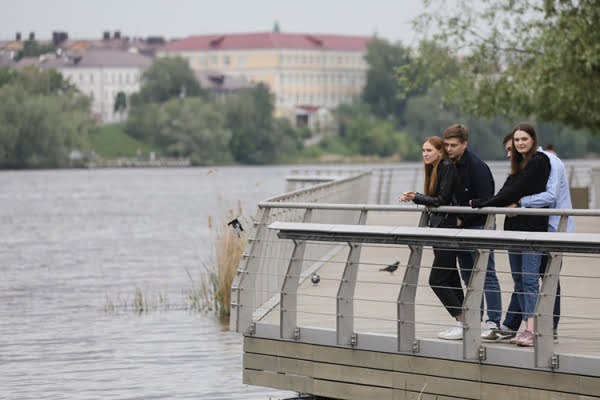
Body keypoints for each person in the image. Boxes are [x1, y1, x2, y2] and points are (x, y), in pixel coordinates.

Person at [483, 133, 574, 342]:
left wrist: (521, 203)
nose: (509, 154)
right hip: (535, 228)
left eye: (510, 149)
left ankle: (549, 328)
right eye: (509, 149)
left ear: (532, 141)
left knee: (546, 279)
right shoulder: (526, 166)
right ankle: (512, 326)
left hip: (552, 228)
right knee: (525, 279)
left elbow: (550, 196)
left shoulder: (549, 161)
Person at [471, 122, 551, 347]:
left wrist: (482, 204)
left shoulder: (538, 162)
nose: (519, 143)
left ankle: (532, 330)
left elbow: (514, 192)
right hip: (514, 231)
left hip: (533, 231)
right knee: (519, 280)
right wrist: (488, 202)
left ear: (533, 140)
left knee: (529, 280)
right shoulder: (518, 165)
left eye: (523, 139)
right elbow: (506, 191)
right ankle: (523, 328)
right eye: (516, 140)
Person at [399, 137, 464, 339]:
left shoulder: (446, 167)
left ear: (440, 152)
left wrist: (415, 197)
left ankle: (463, 322)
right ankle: (464, 323)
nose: (425, 154)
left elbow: (441, 200)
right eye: (423, 150)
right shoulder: (435, 169)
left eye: (428, 150)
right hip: (440, 229)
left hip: (448, 229)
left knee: (437, 279)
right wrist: (414, 197)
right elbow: (436, 200)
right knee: (451, 277)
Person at [442, 124, 502, 338]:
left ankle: (493, 322)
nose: (448, 149)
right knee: (468, 276)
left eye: (453, 145)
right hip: (461, 228)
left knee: (486, 275)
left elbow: (487, 200)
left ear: (464, 144)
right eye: (446, 144)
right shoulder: (448, 165)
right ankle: (474, 320)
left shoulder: (477, 166)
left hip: (479, 226)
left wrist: (462, 218)